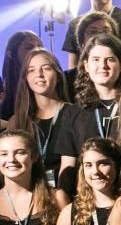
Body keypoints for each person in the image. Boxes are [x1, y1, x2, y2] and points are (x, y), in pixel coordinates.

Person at [7, 48, 84, 192]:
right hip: (29, 195)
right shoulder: (17, 121)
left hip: (67, 194)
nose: (39, 75)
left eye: (46, 68)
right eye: (31, 70)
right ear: (26, 78)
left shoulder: (75, 114)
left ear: (58, 74)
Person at [59, 34, 121, 168]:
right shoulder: (72, 113)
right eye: (96, 59)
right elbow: (68, 166)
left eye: (110, 59)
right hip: (87, 186)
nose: (103, 65)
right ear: (86, 66)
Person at [1, 31, 44, 121]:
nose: (37, 51)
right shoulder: (4, 94)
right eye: (29, 47)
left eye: (40, 47)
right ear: (11, 54)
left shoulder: (50, 84)